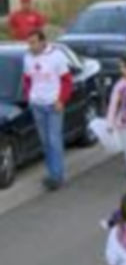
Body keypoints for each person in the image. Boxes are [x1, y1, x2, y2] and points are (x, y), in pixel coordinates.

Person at [22, 30, 72, 190]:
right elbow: (27, 79)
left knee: (54, 140)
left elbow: (66, 80)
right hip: (37, 103)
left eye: (34, 42)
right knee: (45, 142)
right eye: (29, 43)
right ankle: (51, 173)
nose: (32, 46)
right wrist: (30, 95)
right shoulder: (28, 57)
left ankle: (57, 176)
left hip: (53, 103)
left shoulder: (56, 56)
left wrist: (61, 99)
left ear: (43, 42)